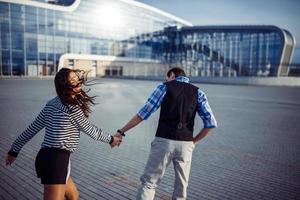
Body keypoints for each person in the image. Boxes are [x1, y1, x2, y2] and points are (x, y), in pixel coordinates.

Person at [5, 68, 122, 200]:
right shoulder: (72, 109)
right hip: (57, 161)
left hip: (46, 157)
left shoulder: (52, 103)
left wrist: (14, 150)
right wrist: (112, 140)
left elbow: (32, 129)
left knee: (73, 195)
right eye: (73, 81)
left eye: (77, 79)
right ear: (64, 86)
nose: (78, 82)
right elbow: (91, 131)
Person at [115, 67, 217, 200]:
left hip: (164, 141)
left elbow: (143, 113)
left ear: (172, 75)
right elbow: (211, 123)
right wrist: (193, 141)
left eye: (167, 78)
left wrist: (121, 131)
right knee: (181, 187)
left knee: (149, 183)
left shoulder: (164, 87)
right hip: (186, 144)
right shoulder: (199, 92)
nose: (167, 81)